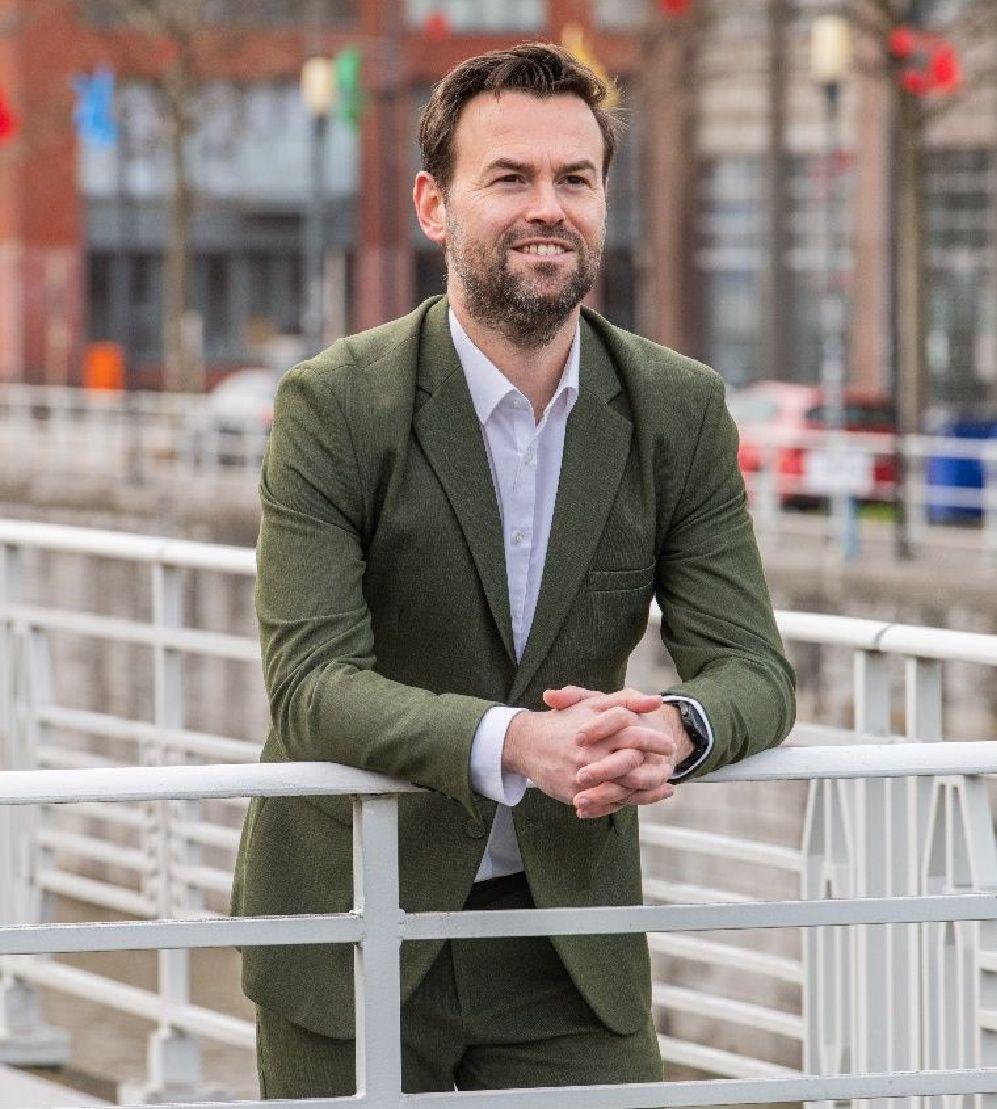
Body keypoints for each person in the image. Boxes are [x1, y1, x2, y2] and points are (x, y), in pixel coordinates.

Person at [231, 41, 795, 1099]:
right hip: (354, 919)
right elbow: (309, 686)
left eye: (575, 178)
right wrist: (517, 741)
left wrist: (677, 729)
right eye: (510, 177)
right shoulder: (334, 405)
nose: (549, 207)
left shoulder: (677, 409)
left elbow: (756, 669)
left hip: (565, 938)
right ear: (434, 206)